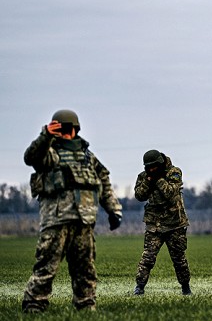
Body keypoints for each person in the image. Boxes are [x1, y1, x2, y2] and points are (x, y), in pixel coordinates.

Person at [22, 109, 123, 313]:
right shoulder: (49, 152)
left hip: (84, 221)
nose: (65, 133)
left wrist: (114, 210)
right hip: (56, 220)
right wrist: (46, 135)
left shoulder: (88, 157)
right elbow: (31, 157)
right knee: (46, 266)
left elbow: (104, 182)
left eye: (67, 129)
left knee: (85, 268)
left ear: (75, 129)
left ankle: (86, 305)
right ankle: (34, 305)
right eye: (61, 129)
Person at [133, 149, 191, 295]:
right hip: (155, 225)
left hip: (175, 224)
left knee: (179, 259)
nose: (152, 170)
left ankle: (185, 287)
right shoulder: (144, 176)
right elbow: (139, 195)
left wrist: (158, 180)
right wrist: (148, 181)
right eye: (149, 167)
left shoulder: (174, 173)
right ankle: (139, 286)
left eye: (154, 167)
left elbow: (170, 193)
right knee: (147, 258)